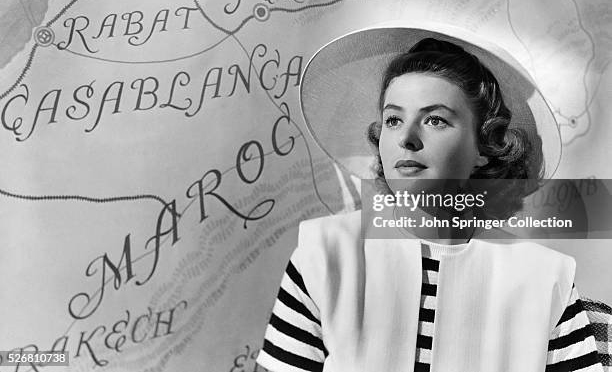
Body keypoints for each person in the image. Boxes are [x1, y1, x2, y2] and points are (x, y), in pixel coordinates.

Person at [256, 27, 603, 372]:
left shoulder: (544, 279)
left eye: (435, 120)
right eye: (393, 120)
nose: (406, 138)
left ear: (484, 147)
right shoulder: (326, 255)